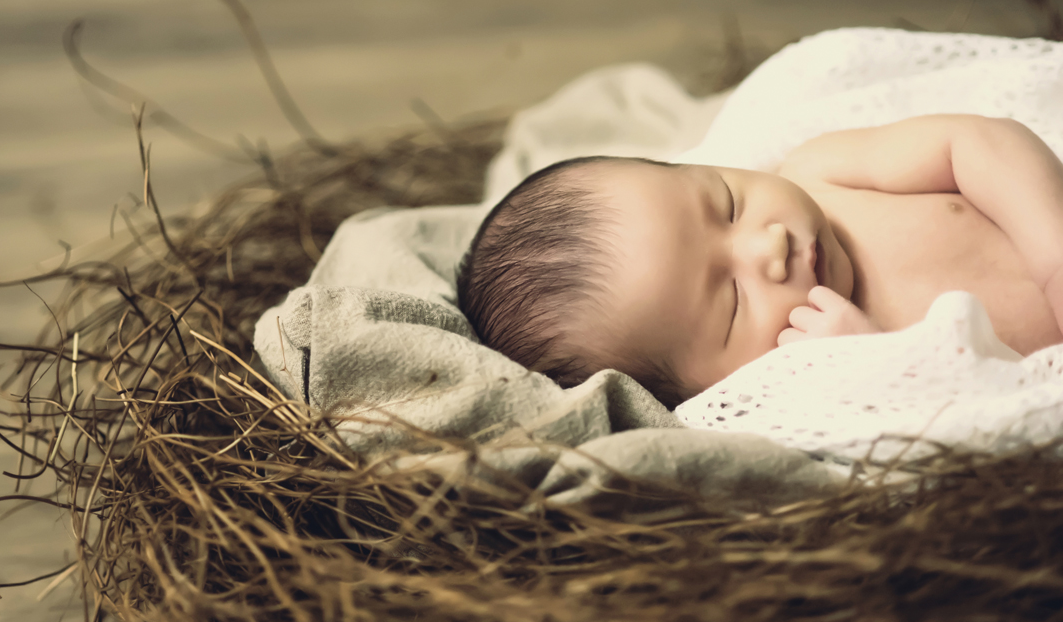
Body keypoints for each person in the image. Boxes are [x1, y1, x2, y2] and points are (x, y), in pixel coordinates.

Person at [456, 114, 1063, 409]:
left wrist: (1054, 258)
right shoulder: (819, 385)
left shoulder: (821, 172)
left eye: (727, 203)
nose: (767, 248)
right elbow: (982, 422)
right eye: (734, 300)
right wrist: (880, 364)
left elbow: (981, 142)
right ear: (705, 388)